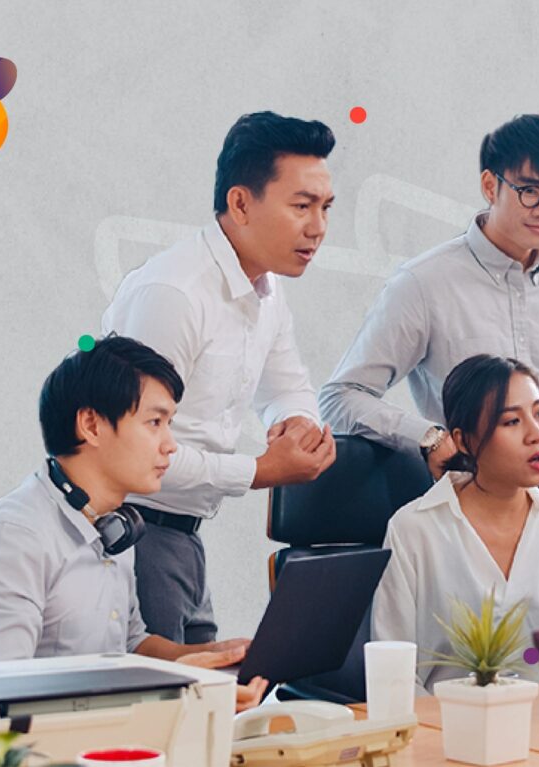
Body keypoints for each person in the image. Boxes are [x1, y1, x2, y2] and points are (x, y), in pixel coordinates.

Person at [101, 111, 337, 643]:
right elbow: (129, 450)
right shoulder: (175, 294)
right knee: (166, 694)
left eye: (325, 207)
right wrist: (260, 470)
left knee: (212, 688)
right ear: (240, 203)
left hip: (183, 536)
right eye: (301, 206)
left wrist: (298, 423)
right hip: (135, 531)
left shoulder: (266, 290)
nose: (318, 227)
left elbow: (287, 385)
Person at [0, 336, 267, 711]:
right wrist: (177, 690)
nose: (171, 444)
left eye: (169, 424)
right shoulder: (9, 544)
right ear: (92, 425)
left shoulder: (111, 525)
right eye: (155, 422)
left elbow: (131, 644)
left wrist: (216, 659)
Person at [320, 114, 539, 525]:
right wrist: (426, 437)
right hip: (475, 514)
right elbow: (341, 395)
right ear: (490, 186)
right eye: (529, 191)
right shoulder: (423, 284)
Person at [371, 354, 539, 692]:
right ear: (464, 440)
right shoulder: (413, 530)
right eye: (511, 421)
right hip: (444, 721)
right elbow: (394, 676)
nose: (537, 434)